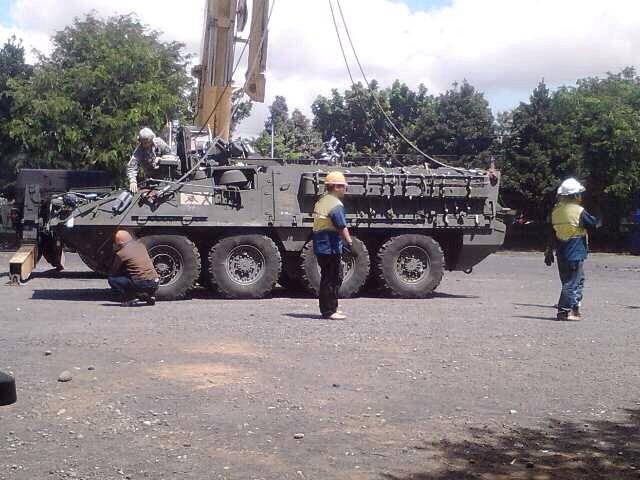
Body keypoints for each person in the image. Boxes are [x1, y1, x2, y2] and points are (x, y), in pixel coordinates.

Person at [545, 178, 598, 321]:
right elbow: (592, 224)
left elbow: (551, 232)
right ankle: (563, 312)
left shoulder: (556, 210)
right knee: (572, 282)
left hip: (561, 251)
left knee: (571, 281)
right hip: (575, 251)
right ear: (575, 195)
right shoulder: (578, 211)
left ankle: (574, 309)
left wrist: (548, 251)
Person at [312, 171, 354, 320]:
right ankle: (329, 311)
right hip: (329, 246)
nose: (344, 189)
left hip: (322, 244)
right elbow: (341, 226)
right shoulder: (335, 204)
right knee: (331, 278)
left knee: (329, 277)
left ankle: (331, 308)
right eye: (343, 186)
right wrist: (350, 243)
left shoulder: (323, 200)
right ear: (336, 187)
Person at [108, 230, 160, 306]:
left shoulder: (121, 253)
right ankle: (150, 296)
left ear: (118, 243)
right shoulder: (141, 246)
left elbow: (113, 271)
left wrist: (115, 252)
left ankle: (130, 298)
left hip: (142, 284)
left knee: (112, 279)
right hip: (155, 282)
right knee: (138, 274)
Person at [127, 128, 172, 193]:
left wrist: (161, 158)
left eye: (147, 142)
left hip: (166, 178)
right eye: (143, 142)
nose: (145, 145)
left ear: (151, 140)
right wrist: (132, 181)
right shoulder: (139, 150)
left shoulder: (160, 143)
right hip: (151, 179)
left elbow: (171, 155)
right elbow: (132, 166)